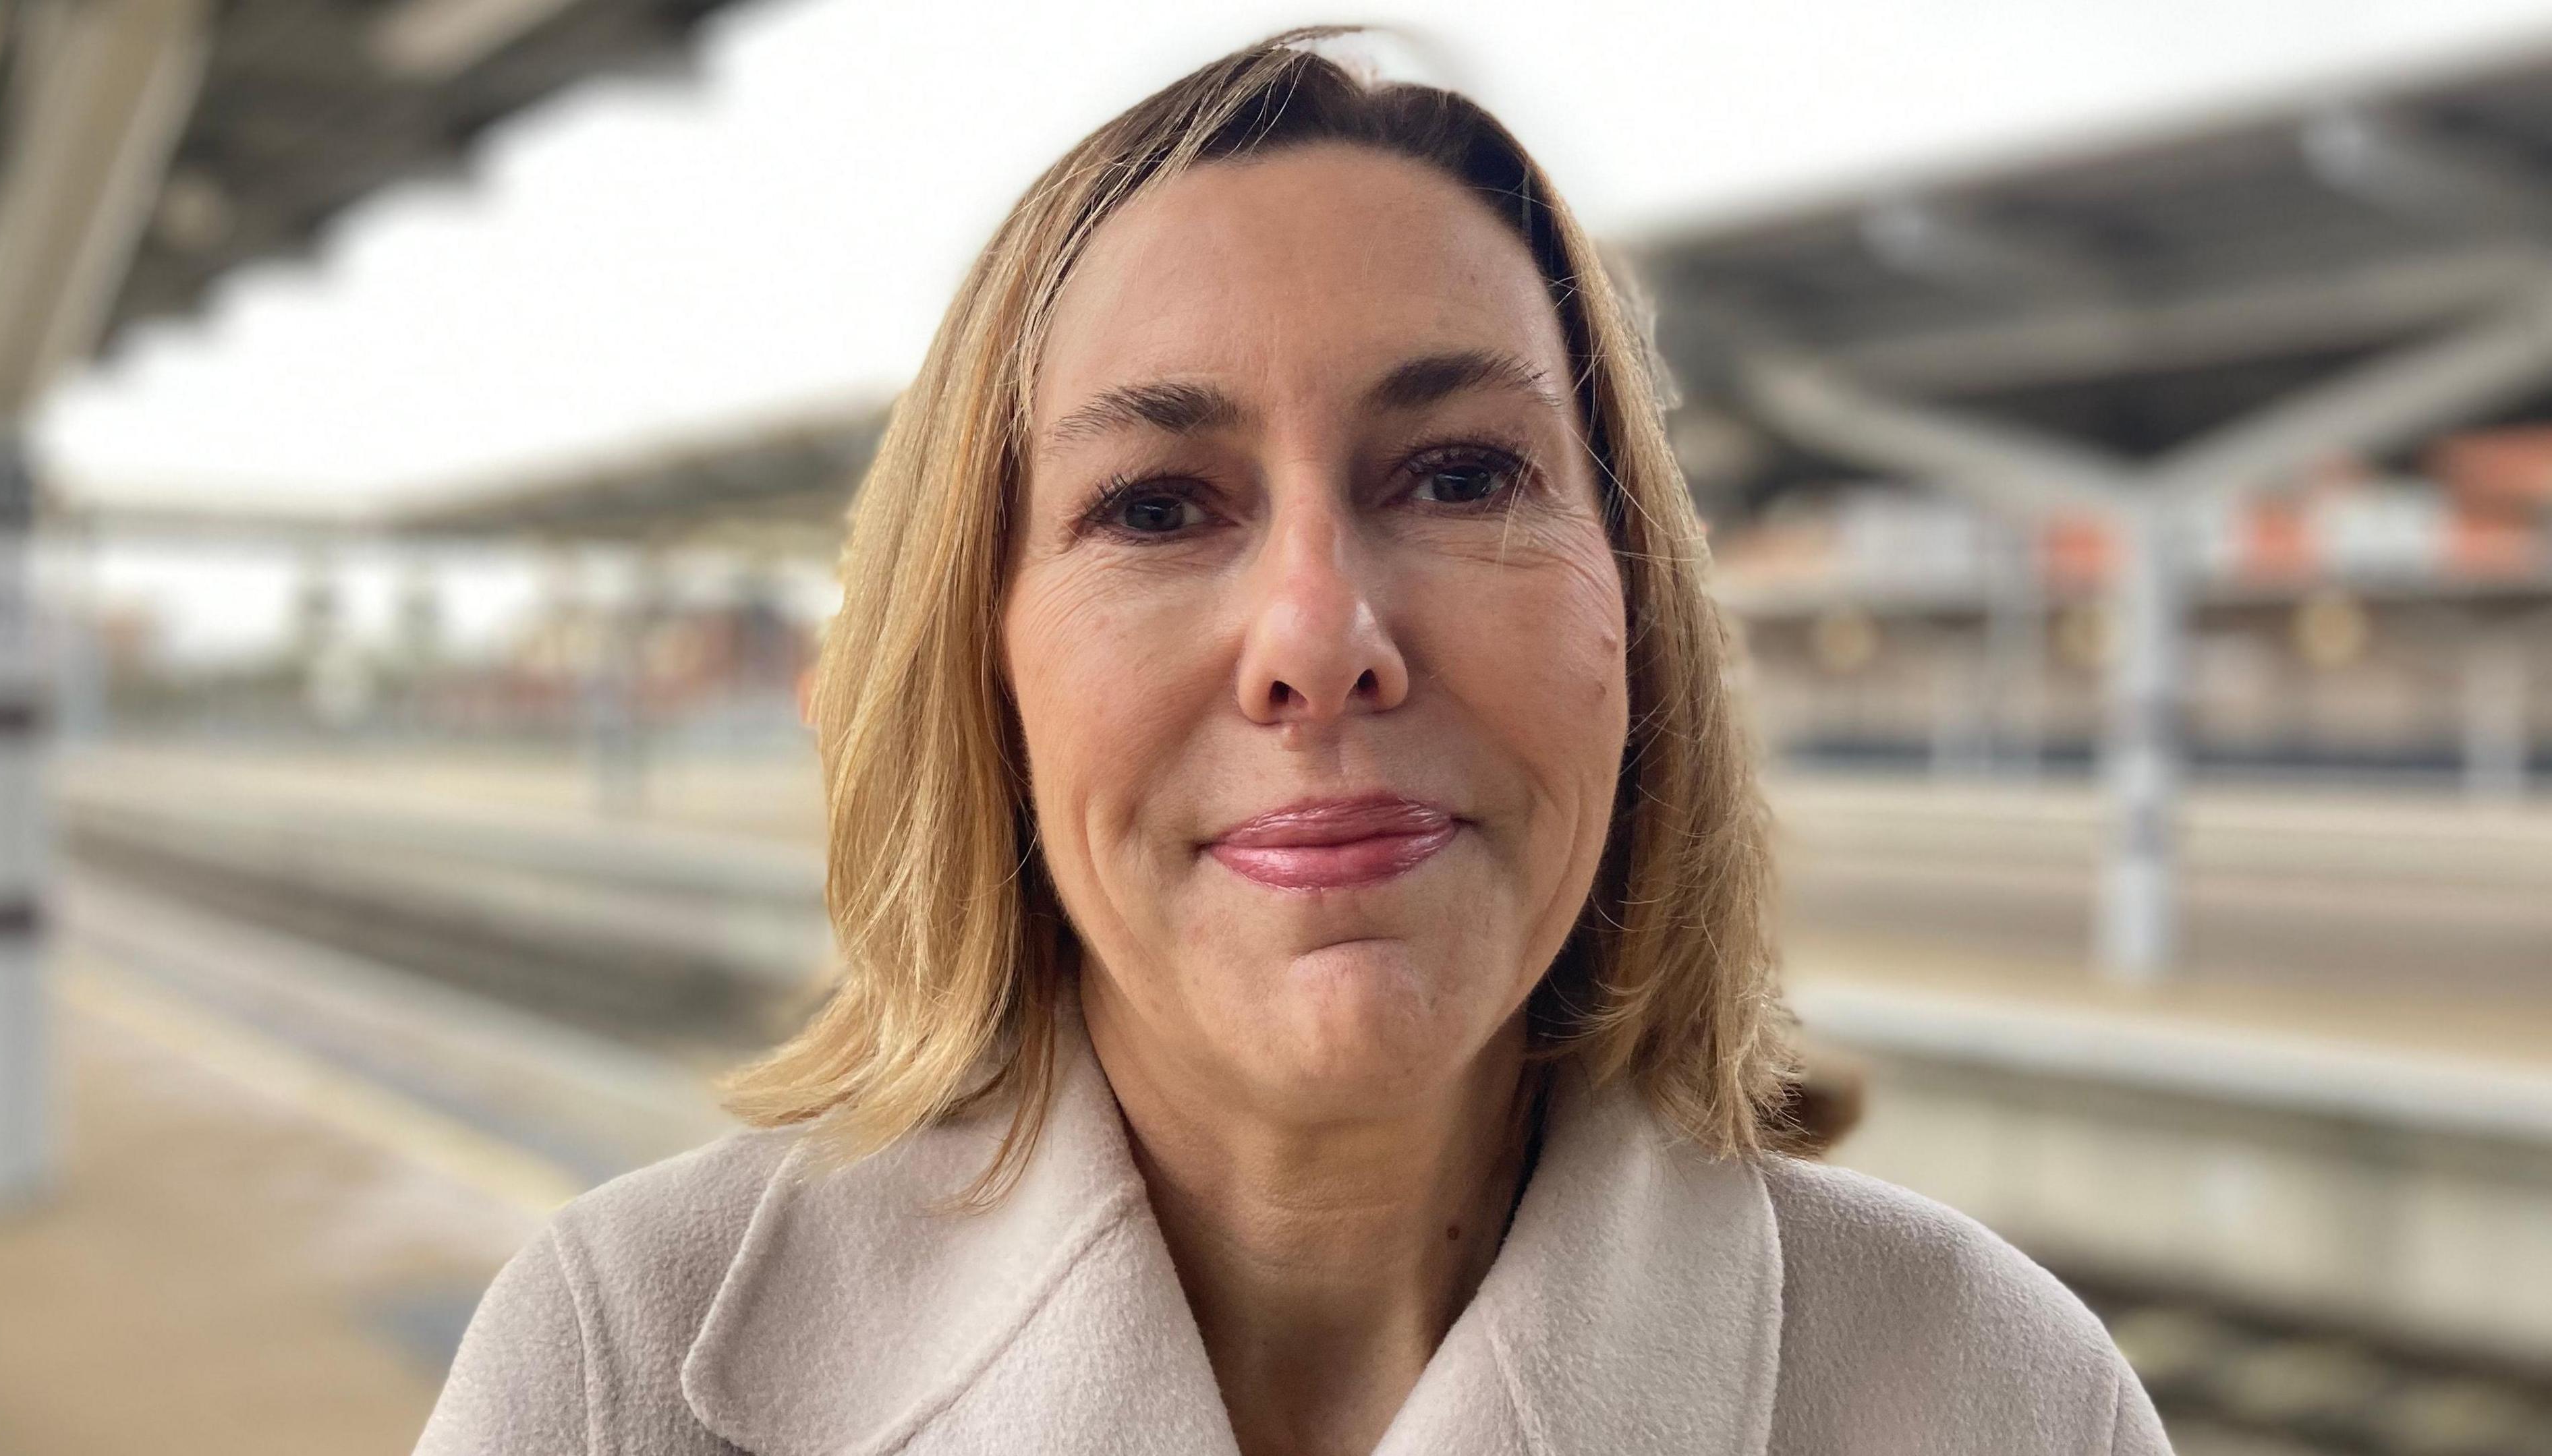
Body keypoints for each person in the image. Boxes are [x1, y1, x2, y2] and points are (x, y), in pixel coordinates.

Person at [417, 30, 2169, 1456]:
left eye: (1466, 473)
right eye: (1161, 503)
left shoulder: (2003, 1396)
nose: (1320, 644)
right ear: (982, 664)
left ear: (1630, 612)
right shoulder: (613, 1374)